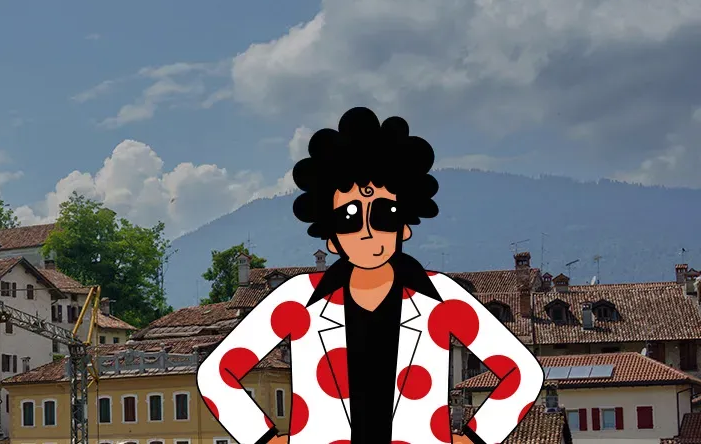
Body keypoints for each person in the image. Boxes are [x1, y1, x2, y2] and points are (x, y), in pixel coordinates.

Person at [195, 107, 542, 444]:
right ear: (331, 236)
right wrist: (266, 439)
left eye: (384, 214)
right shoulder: (297, 299)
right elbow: (216, 375)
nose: (366, 230)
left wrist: (475, 438)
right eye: (349, 218)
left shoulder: (442, 298)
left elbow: (522, 373)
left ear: (404, 226)